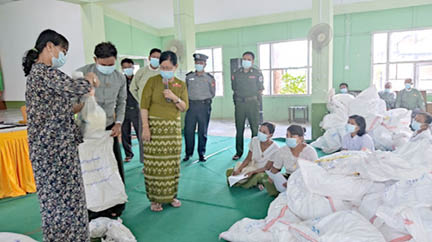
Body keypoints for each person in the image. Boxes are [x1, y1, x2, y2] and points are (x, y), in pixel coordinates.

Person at [23, 29, 98, 241]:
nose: (62, 56)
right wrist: (90, 79)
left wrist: (79, 105)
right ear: (49, 46)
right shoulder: (44, 73)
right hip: (53, 151)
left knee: (61, 201)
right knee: (61, 203)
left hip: (56, 148)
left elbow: (58, 109)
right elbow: (75, 87)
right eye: (62, 50)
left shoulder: (39, 76)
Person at [76, 42, 127, 219]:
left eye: (111, 65)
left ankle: (116, 205)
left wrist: (118, 123)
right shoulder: (82, 73)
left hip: (109, 129)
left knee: (112, 167)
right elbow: (70, 99)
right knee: (90, 169)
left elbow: (122, 103)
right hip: (86, 130)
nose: (107, 68)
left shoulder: (120, 78)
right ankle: (91, 208)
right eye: (103, 65)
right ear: (95, 60)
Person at [140, 51, 189, 212]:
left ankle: (171, 195)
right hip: (154, 129)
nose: (165, 70)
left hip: (172, 131)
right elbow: (144, 106)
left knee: (171, 165)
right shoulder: (152, 82)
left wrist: (175, 98)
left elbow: (184, 107)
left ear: (175, 67)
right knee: (154, 165)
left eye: (168, 67)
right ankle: (155, 200)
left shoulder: (181, 85)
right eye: (162, 67)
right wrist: (146, 128)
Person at [263, 125, 318, 196]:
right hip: (289, 176)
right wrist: (272, 177)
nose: (288, 138)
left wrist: (293, 183)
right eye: (287, 136)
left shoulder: (310, 152)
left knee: (309, 189)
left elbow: (314, 172)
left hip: (304, 178)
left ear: (301, 138)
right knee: (269, 183)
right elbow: (276, 169)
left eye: (292, 136)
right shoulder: (282, 150)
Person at [225, 122, 279, 189]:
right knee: (230, 172)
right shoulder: (254, 140)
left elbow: (267, 168)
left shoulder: (275, 148)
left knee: (261, 177)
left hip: (262, 171)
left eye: (264, 132)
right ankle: (254, 183)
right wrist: (239, 169)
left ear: (270, 135)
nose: (261, 133)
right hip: (251, 166)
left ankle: (253, 182)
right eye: (260, 131)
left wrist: (253, 172)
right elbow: (248, 158)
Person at [231, 51, 264, 160]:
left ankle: (254, 152)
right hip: (240, 104)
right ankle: (238, 152)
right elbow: (234, 88)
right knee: (239, 128)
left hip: (252, 103)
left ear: (252, 61)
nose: (246, 61)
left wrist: (257, 103)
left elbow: (260, 89)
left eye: (249, 59)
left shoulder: (257, 73)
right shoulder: (236, 73)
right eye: (244, 59)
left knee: (254, 129)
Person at [183, 53, 216, 162]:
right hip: (191, 106)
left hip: (204, 106)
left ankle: (201, 153)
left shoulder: (210, 78)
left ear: (205, 64)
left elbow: (212, 93)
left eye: (201, 63)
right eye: (197, 63)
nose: (199, 65)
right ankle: (188, 153)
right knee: (188, 131)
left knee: (202, 131)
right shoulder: (189, 77)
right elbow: (185, 92)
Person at [120, 58, 143, 163]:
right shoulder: (121, 80)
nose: (127, 69)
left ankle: (144, 157)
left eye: (129, 67)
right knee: (125, 133)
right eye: (124, 68)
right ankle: (128, 154)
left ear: (133, 67)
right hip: (124, 110)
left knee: (140, 133)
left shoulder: (138, 79)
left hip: (136, 110)